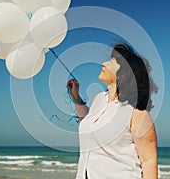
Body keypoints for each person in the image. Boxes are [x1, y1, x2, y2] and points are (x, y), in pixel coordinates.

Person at [66, 42, 158, 179]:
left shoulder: (136, 113)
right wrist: (76, 99)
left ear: (124, 73)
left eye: (112, 61)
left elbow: (149, 162)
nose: (104, 63)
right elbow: (90, 126)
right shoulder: (99, 99)